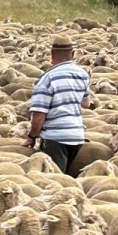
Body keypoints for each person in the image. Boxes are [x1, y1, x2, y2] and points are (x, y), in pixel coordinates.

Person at [22, 35, 93, 176]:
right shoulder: (83, 74)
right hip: (77, 136)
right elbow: (86, 103)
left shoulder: (47, 78)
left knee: (54, 179)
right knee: (65, 176)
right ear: (72, 54)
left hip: (56, 137)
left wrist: (32, 136)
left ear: (52, 54)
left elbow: (39, 114)